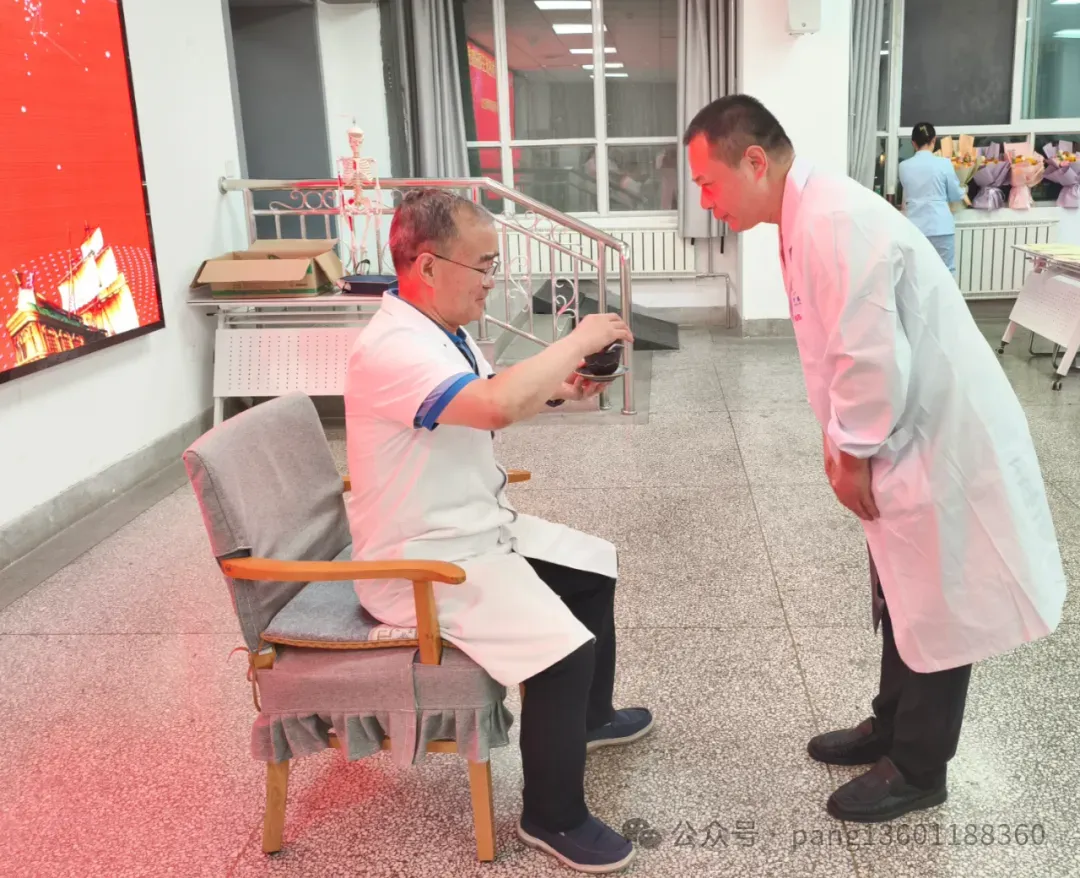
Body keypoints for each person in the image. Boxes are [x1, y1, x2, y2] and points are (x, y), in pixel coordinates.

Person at [684, 95, 1067, 823]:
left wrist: (853, 450)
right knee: (902, 593)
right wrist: (841, 439)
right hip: (904, 434)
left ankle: (919, 769)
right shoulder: (807, 214)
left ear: (754, 161)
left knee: (937, 604)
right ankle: (890, 724)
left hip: (937, 442)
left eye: (707, 182)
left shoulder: (834, 220)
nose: (705, 201)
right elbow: (837, 348)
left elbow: (868, 356)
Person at [343, 189, 654, 873]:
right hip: (420, 560)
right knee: (563, 649)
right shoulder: (391, 348)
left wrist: (562, 388)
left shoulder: (442, 332)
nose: (493, 280)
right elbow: (491, 407)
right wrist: (576, 338)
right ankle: (552, 815)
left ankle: (589, 721)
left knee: (593, 568)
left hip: (469, 529)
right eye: (483, 266)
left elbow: (496, 398)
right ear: (429, 266)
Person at [897, 122, 966, 274]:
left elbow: (907, 194)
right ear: (934, 140)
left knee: (918, 272)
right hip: (941, 226)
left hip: (916, 227)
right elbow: (955, 194)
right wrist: (964, 190)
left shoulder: (903, 166)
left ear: (913, 143)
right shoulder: (944, 164)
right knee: (946, 272)